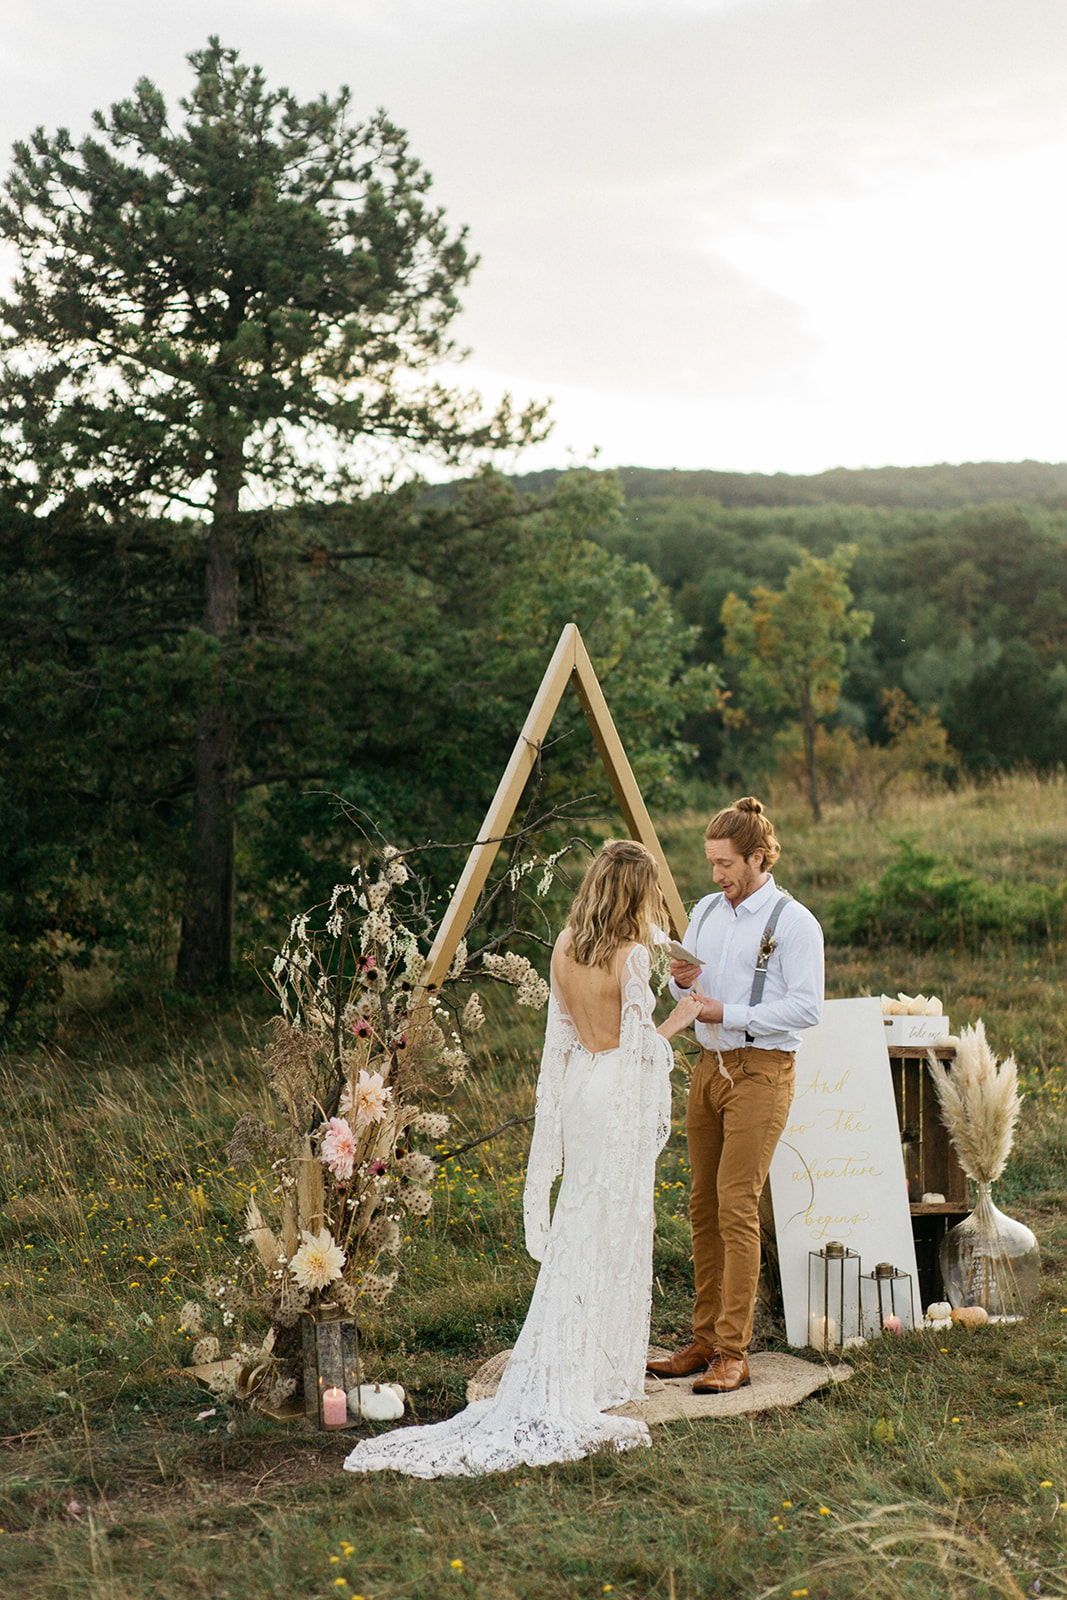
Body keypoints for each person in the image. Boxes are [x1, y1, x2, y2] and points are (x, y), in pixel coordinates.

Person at [343, 839, 703, 1478]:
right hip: (614, 1091)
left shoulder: (564, 947)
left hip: (582, 1088)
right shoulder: (630, 957)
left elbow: (561, 1038)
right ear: (635, 895)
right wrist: (683, 1017)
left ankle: (582, 1358)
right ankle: (593, 1368)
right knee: (613, 1225)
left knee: (581, 1218)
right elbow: (639, 1048)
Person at [646, 797, 823, 1394]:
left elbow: (807, 1007)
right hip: (707, 1068)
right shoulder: (704, 910)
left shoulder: (795, 923)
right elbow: (689, 988)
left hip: (761, 1072)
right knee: (702, 1205)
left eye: (725, 863)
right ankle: (702, 1341)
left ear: (758, 857)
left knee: (736, 1205)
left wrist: (730, 1012)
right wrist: (682, 982)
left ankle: (733, 1352)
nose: (716, 874)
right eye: (711, 863)